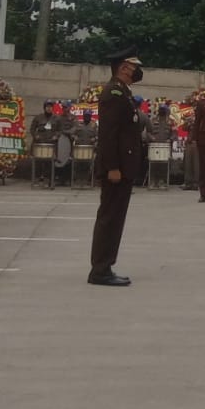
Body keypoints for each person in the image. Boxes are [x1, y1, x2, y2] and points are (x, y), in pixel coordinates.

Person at [89, 49, 144, 286]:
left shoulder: (122, 92)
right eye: (133, 66)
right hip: (116, 168)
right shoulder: (113, 93)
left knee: (115, 219)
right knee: (109, 218)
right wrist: (112, 167)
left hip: (123, 166)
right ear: (123, 67)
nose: (136, 71)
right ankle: (100, 270)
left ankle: (105, 266)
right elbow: (108, 135)